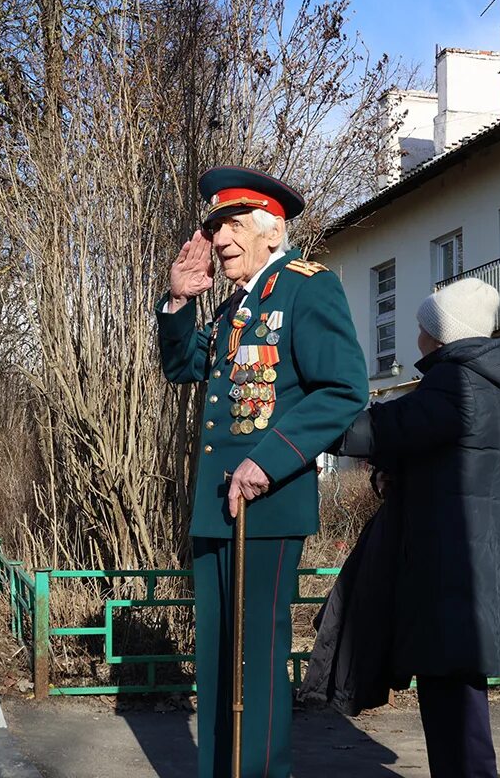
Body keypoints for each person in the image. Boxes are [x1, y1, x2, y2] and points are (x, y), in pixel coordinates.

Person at [157, 166, 368, 777]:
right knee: (219, 658)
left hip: (266, 507)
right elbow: (183, 367)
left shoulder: (308, 288)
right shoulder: (232, 306)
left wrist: (267, 461)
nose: (218, 238)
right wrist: (177, 301)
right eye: (214, 226)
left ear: (270, 231)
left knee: (257, 659)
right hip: (215, 507)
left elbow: (343, 389)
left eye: (231, 225)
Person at [336, 277, 500, 778]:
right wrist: (397, 470)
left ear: (443, 333)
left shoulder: (456, 380)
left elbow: (382, 427)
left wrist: (316, 418)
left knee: (456, 716)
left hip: (453, 569)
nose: (417, 337)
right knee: (460, 704)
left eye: (424, 327)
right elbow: (448, 453)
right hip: (482, 561)